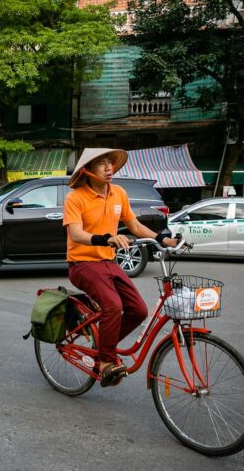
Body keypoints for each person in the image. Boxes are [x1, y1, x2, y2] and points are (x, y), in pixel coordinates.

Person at [63, 148, 176, 387]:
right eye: (102, 164)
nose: (108, 168)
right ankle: (105, 362)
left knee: (138, 310)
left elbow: (134, 225)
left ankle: (105, 343)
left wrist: (161, 239)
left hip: (108, 262)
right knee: (113, 305)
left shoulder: (119, 194)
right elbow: (76, 233)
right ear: (87, 171)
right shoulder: (76, 198)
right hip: (82, 264)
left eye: (110, 164)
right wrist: (106, 239)